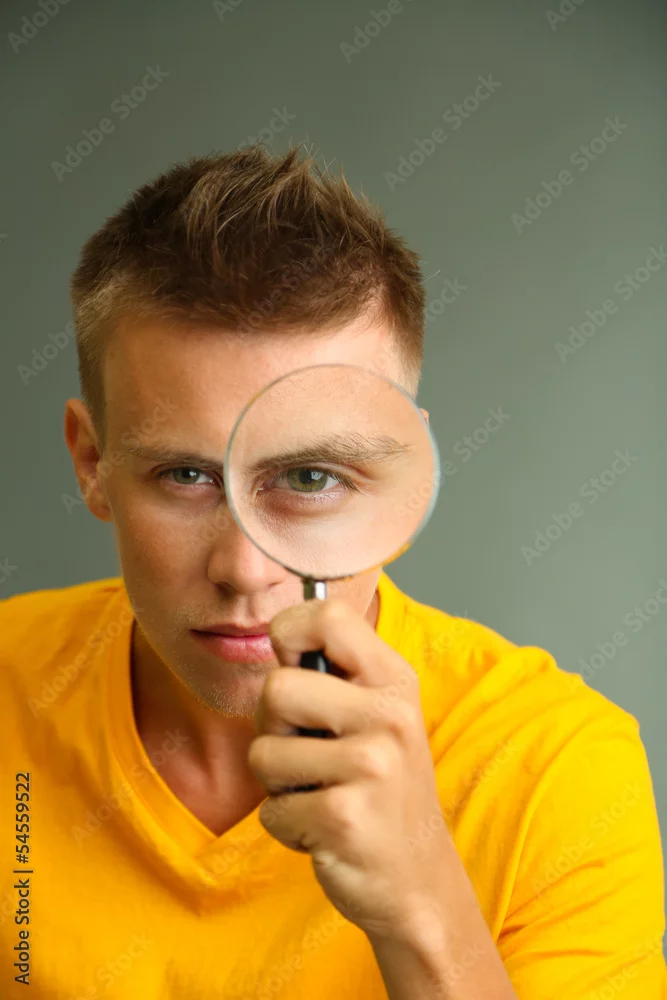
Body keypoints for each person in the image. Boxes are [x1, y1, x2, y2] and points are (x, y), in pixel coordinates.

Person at [1, 143, 665, 999]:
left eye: (311, 478)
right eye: (186, 475)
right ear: (92, 462)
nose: (246, 570)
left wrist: (419, 906)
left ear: (401, 475)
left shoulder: (555, 768)